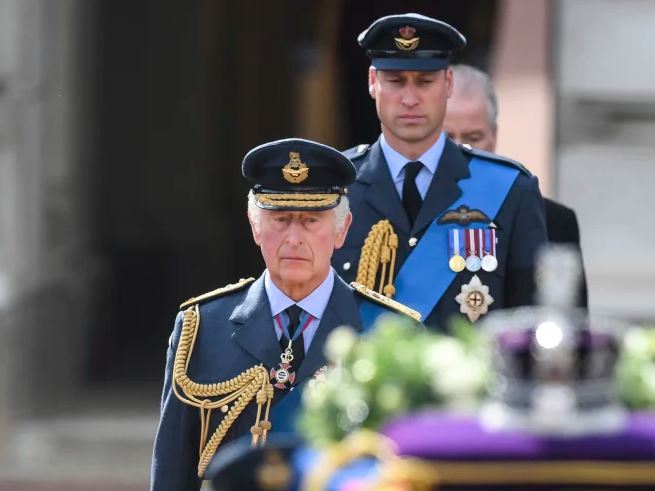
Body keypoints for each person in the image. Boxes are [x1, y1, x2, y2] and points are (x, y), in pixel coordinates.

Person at [150, 138, 419, 491]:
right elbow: (173, 471)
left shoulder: (390, 331)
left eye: (310, 220)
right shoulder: (201, 327)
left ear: (342, 229)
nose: (293, 238)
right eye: (279, 219)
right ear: (254, 225)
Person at [333, 13, 548, 330]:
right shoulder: (332, 189)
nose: (409, 98)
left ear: (447, 83)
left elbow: (530, 321)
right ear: (372, 82)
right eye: (395, 81)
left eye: (424, 81)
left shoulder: (510, 189)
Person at [443, 63, 588, 308]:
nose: (462, 150)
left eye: (474, 137)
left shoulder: (554, 221)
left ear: (494, 136)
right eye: (448, 138)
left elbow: (571, 327)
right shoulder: (405, 212)